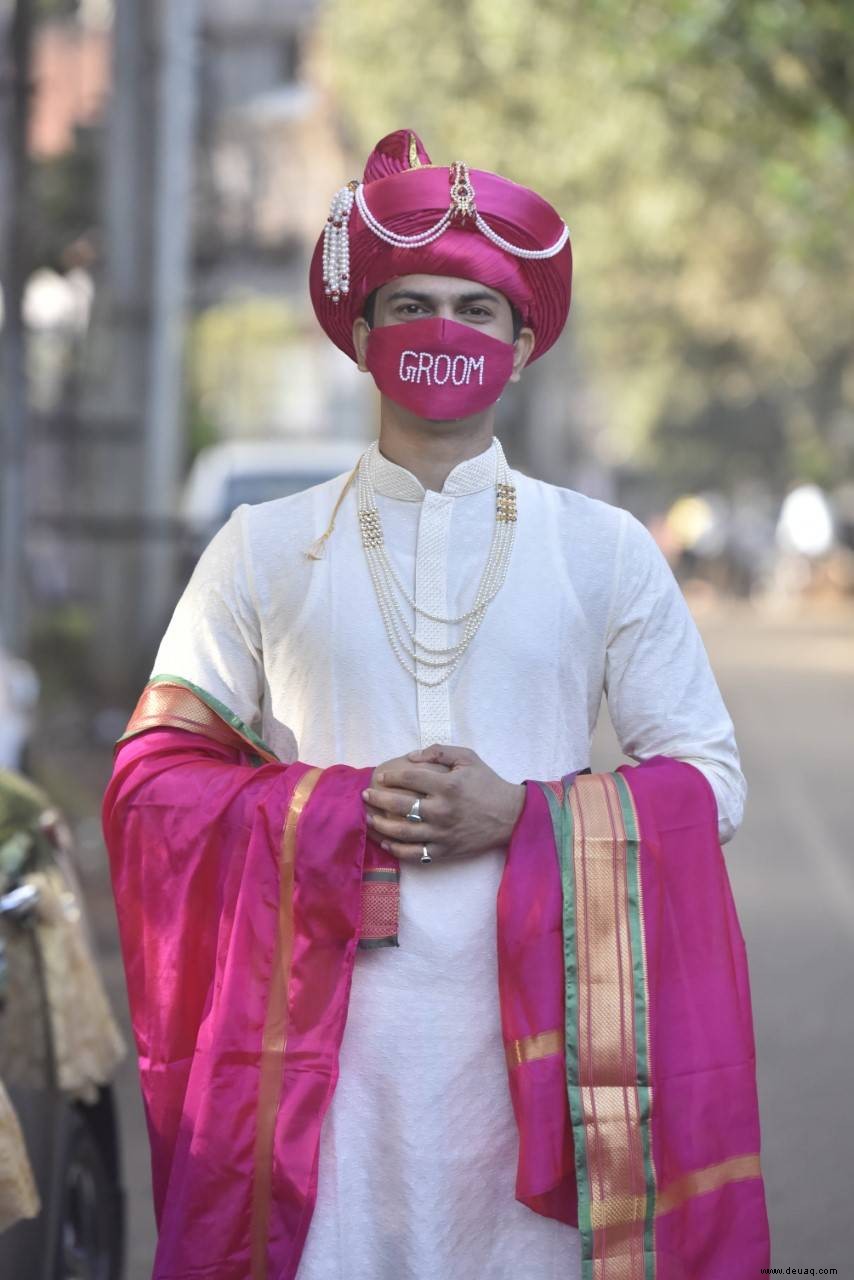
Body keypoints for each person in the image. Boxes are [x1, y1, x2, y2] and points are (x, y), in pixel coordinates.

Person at [102, 129, 767, 1279]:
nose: (441, 331)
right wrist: (330, 806)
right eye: (407, 303)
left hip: (550, 1059)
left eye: (475, 307)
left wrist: (524, 815)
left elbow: (709, 775)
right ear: (358, 336)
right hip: (317, 1057)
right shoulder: (261, 547)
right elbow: (152, 776)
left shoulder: (601, 548)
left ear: (522, 346)